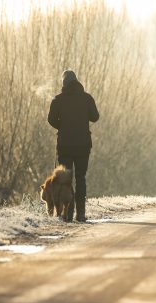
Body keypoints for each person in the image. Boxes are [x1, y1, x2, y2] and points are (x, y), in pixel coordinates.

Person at [48, 70, 99, 222]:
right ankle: (81, 214)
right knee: (81, 178)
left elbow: (50, 119)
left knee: (65, 180)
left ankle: (67, 215)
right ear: (77, 81)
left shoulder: (58, 100)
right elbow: (95, 117)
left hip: (64, 146)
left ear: (63, 83)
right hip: (83, 145)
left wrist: (62, 127)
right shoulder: (87, 98)